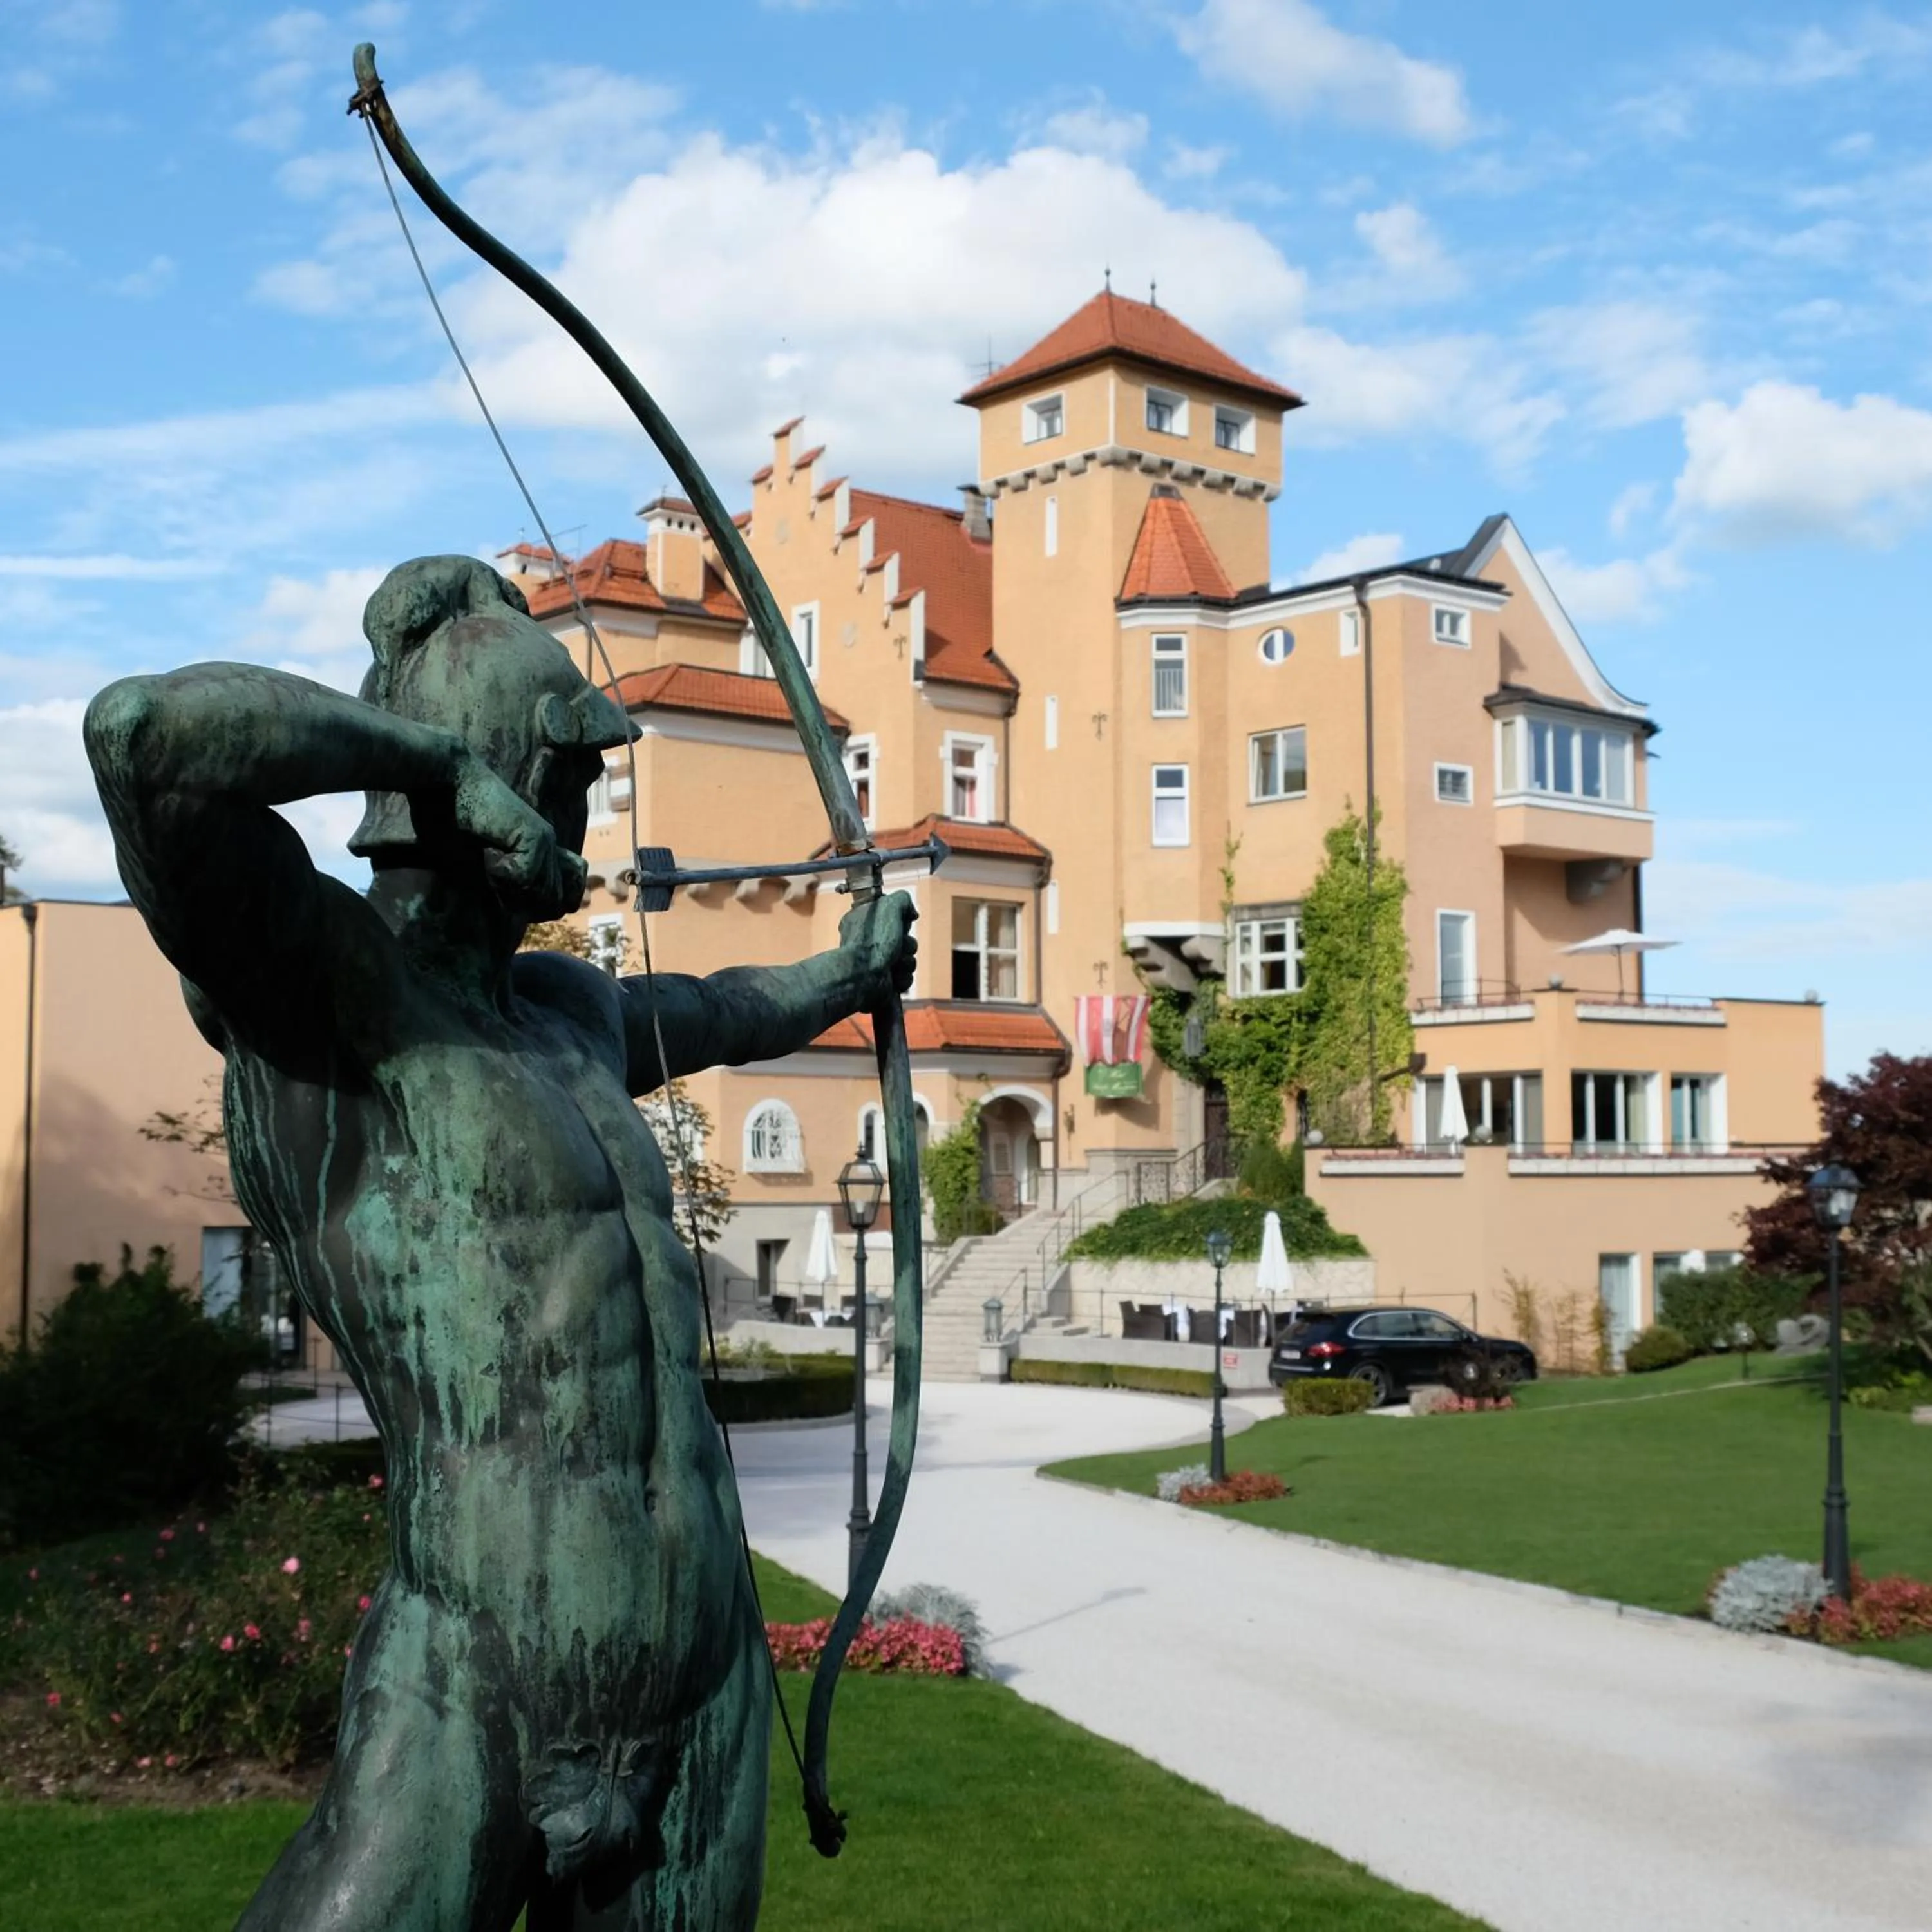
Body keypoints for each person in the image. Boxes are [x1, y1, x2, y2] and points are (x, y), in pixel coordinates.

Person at [84, 555, 917, 1931]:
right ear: (499, 784)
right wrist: (431, 759)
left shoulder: (568, 1015)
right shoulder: (331, 1001)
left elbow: (721, 1004)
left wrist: (844, 975)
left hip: (700, 1658)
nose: (589, 808)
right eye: (568, 774)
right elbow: (142, 738)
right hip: (478, 1661)